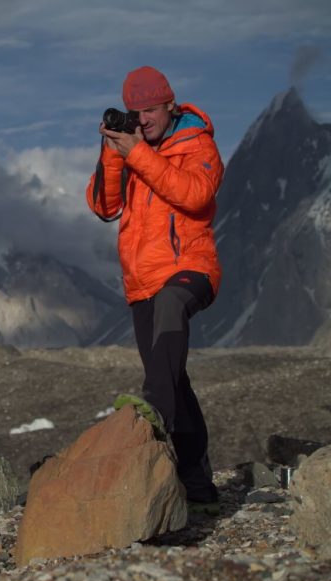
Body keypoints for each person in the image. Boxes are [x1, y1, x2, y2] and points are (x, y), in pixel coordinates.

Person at [85, 66, 223, 515]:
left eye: (148, 110)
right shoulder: (131, 148)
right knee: (174, 377)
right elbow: (105, 207)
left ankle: (153, 411)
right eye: (134, 112)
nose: (141, 120)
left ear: (169, 104)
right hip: (141, 281)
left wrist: (139, 154)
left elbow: (195, 195)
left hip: (190, 269)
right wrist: (113, 153)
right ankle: (197, 482)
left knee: (169, 321)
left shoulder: (197, 143)